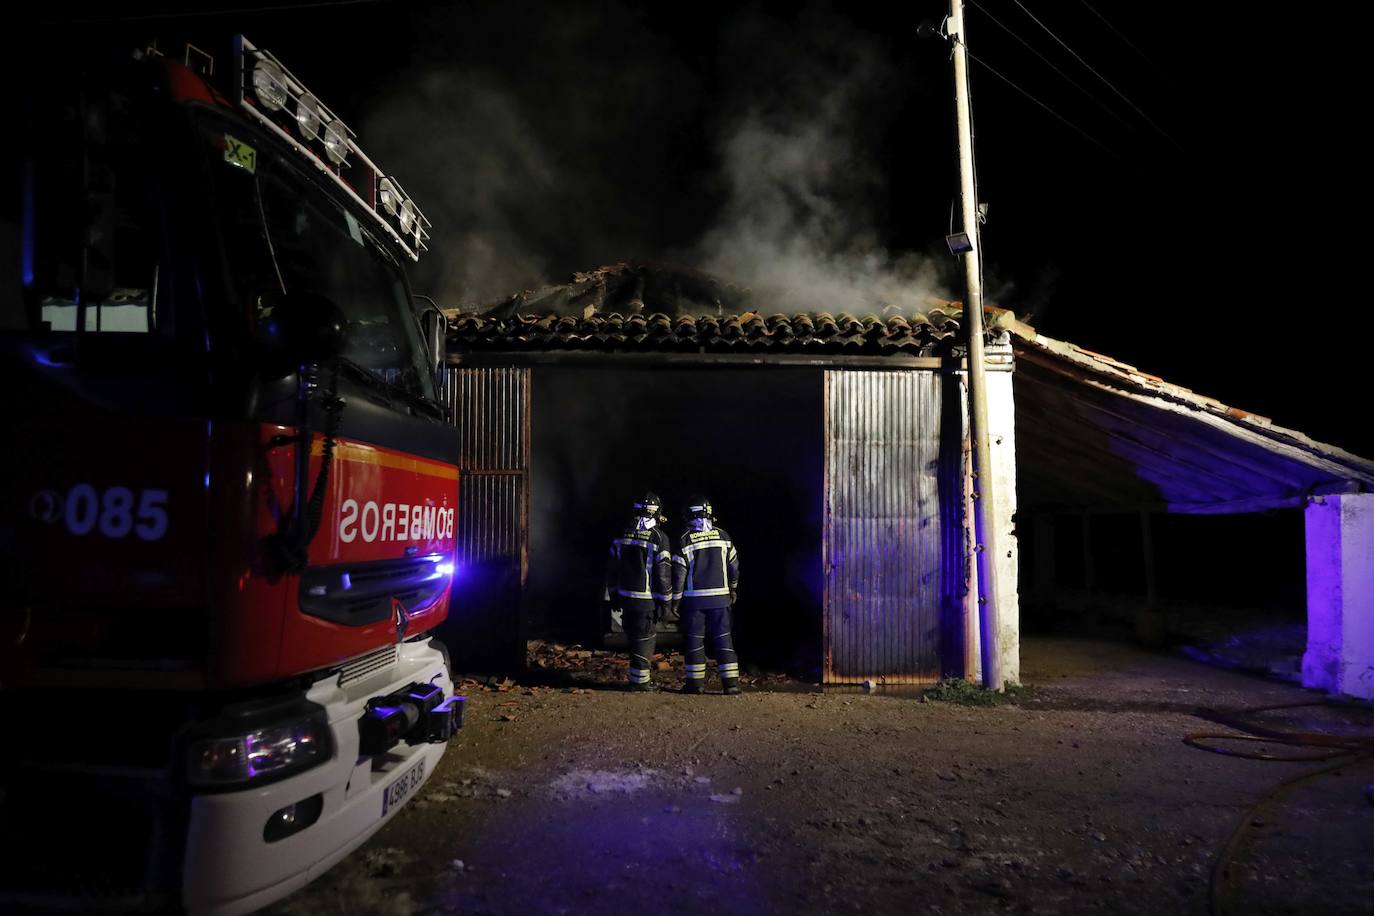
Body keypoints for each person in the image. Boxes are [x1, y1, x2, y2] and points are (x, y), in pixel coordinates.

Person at [670, 495, 741, 695]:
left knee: (694, 641)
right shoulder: (724, 536)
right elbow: (734, 566)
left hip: (694, 602)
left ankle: (695, 685)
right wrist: (733, 588)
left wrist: (675, 602)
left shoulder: (684, 540)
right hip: (721, 599)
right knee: (724, 640)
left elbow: (678, 575)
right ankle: (731, 685)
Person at [604, 492, 674, 692]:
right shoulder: (659, 538)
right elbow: (663, 575)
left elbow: (612, 569)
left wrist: (614, 594)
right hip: (646, 601)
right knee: (645, 640)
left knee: (634, 638)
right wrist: (666, 603)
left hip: (626, 598)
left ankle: (637, 678)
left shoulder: (622, 534)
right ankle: (640, 682)